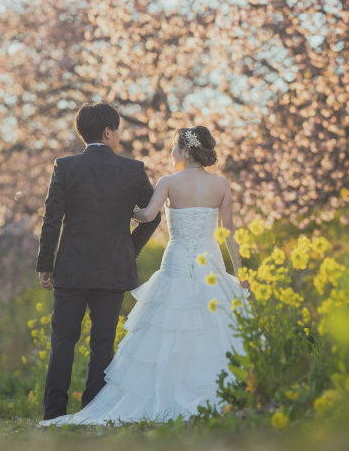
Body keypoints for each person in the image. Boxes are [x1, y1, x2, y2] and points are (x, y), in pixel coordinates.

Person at [40, 126, 250, 426]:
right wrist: (239, 272)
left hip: (177, 260)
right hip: (211, 262)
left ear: (186, 150)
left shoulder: (168, 182)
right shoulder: (221, 184)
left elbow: (146, 216)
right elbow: (229, 233)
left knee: (169, 324)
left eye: (174, 148)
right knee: (212, 324)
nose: (171, 153)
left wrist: (121, 207)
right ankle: (215, 395)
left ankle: (162, 391)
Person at [36, 102, 161, 421]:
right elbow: (152, 217)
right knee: (102, 344)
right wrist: (128, 249)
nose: (118, 135)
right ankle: (93, 412)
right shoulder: (133, 169)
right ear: (108, 132)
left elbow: (52, 219)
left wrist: (45, 265)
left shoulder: (65, 166)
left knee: (62, 341)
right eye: (117, 130)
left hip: (71, 269)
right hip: (113, 270)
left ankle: (53, 414)